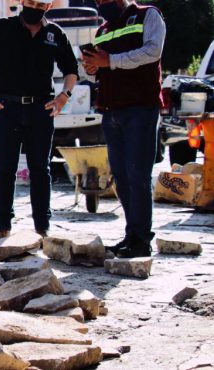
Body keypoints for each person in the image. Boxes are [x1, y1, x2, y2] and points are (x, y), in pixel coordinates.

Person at [0, 0, 79, 240]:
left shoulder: (54, 34)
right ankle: (3, 225)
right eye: (31, 2)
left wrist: (63, 97)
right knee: (5, 167)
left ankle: (42, 227)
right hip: (6, 108)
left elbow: (71, 69)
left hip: (41, 109)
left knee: (41, 168)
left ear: (47, 7)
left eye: (40, 4)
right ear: (22, 2)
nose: (35, 7)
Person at [83, 0, 165, 258]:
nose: (100, 3)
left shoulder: (148, 15)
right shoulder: (103, 30)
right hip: (111, 110)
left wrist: (112, 60)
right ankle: (131, 235)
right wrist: (93, 67)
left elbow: (153, 51)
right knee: (121, 176)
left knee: (137, 175)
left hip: (140, 109)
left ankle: (141, 240)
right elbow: (100, 69)